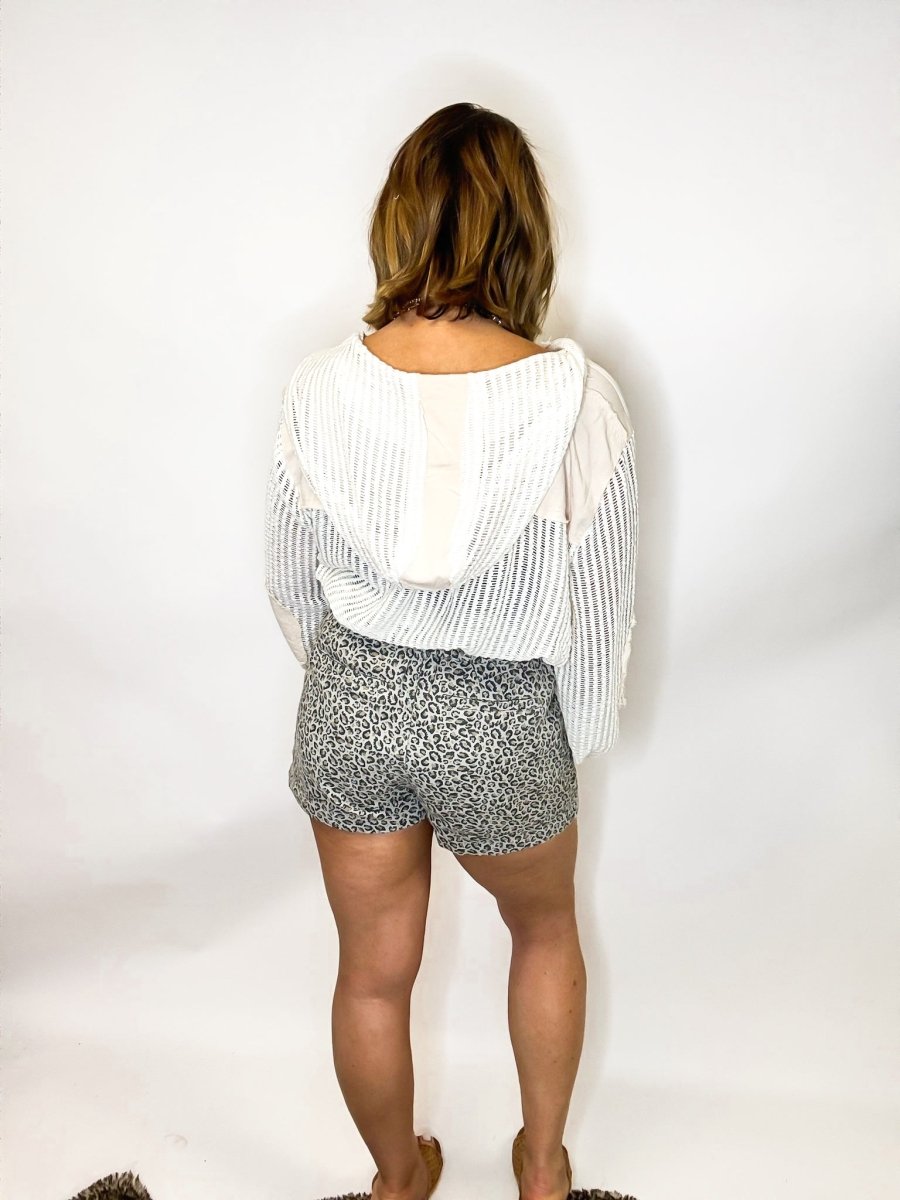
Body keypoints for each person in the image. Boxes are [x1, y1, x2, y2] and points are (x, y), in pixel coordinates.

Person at [264, 101, 639, 1200]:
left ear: (399, 220)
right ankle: (542, 1171)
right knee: (546, 929)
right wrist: (566, 742)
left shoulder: (319, 387)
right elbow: (601, 609)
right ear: (524, 231)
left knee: (371, 978)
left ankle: (397, 1179)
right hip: (502, 716)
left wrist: (352, 683)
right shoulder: (580, 399)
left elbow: (288, 578)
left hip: (352, 699)